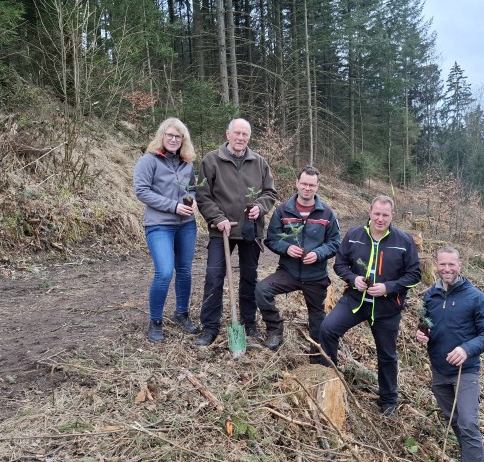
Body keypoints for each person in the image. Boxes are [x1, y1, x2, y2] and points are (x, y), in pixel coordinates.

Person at [319, 195, 421, 416]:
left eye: (385, 215)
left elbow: (414, 275)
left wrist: (388, 287)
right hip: (355, 300)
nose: (380, 218)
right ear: (370, 212)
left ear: (392, 215)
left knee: (387, 355)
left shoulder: (404, 241)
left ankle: (388, 402)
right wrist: (352, 279)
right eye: (377, 213)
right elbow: (340, 264)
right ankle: (330, 379)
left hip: (387, 308)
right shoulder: (354, 235)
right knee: (327, 329)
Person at [416, 247, 484, 462]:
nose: (447, 269)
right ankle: (470, 457)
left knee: (468, 423)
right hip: (439, 372)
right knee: (454, 423)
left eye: (452, 264)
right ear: (436, 266)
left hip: (466, 373)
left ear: (460, 266)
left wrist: (466, 349)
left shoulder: (475, 298)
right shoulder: (431, 295)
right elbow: (425, 324)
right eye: (442, 264)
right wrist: (422, 335)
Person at [195, 118, 277, 346]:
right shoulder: (211, 160)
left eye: (245, 135)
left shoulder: (259, 162)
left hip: (251, 231)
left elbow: (270, 192)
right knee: (214, 276)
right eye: (237, 133)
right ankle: (210, 327)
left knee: (249, 278)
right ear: (228, 134)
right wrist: (217, 218)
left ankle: (249, 324)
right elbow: (202, 195)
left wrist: (260, 208)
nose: (241, 138)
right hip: (220, 230)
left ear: (249, 138)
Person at [255, 166, 341, 352]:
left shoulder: (327, 213)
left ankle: (317, 354)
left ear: (317, 187)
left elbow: (335, 242)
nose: (307, 188)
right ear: (297, 183)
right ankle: (275, 330)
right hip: (289, 271)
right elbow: (271, 239)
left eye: (312, 185)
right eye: (304, 184)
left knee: (317, 316)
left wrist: (318, 253)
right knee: (261, 290)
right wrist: (286, 249)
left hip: (316, 274)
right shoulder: (282, 211)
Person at [133, 117, 201, 343]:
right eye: (169, 135)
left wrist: (194, 200)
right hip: (159, 224)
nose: (173, 139)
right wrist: (173, 206)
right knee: (164, 272)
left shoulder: (187, 162)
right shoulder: (148, 160)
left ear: (184, 140)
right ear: (162, 136)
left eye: (178, 136)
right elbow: (141, 191)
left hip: (186, 226)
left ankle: (181, 314)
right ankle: (155, 321)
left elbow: (192, 188)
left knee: (185, 271)